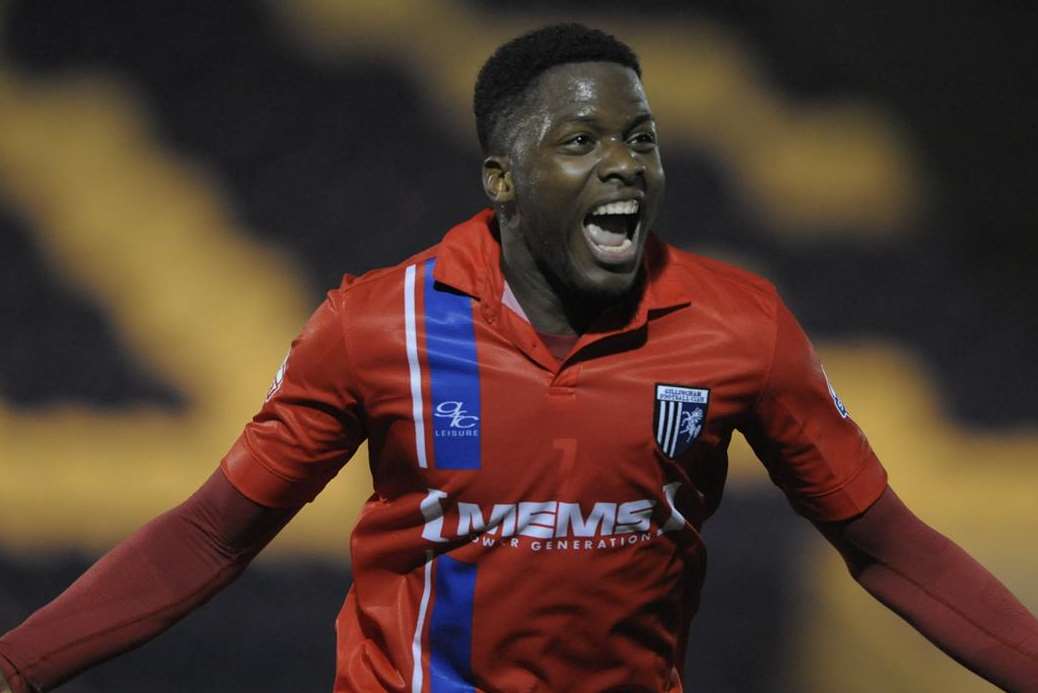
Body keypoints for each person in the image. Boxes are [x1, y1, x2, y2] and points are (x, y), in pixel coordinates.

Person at [2, 23, 1037, 693]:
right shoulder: (378, 326)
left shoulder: (738, 325)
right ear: (503, 177)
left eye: (641, 138)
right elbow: (211, 539)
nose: (624, 165)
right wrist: (19, 665)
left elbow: (887, 545)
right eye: (582, 142)